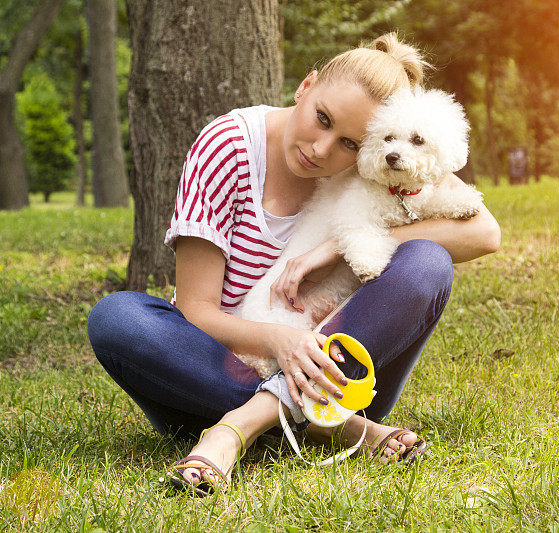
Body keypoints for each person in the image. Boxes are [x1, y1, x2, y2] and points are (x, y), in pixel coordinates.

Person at [86, 33, 501, 494]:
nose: (322, 149)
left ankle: (239, 427)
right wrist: (284, 340)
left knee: (426, 262)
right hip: (222, 368)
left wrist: (337, 247)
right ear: (306, 84)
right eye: (321, 119)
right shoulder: (228, 146)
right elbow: (197, 311)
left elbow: (484, 231)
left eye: (348, 142)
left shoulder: (382, 151)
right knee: (117, 318)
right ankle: (332, 428)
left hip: (343, 369)